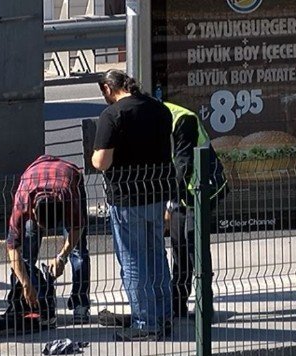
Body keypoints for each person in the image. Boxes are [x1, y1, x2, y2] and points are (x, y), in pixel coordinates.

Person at [92, 69, 175, 341]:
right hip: (157, 192)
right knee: (156, 257)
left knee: (132, 261)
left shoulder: (113, 115)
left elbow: (101, 161)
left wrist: (95, 159)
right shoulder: (159, 109)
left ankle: (145, 324)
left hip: (127, 197)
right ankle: (163, 316)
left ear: (108, 88)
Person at [5, 154, 91, 325]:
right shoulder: (23, 199)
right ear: (33, 213)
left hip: (67, 175)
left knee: (78, 250)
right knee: (26, 252)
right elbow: (12, 247)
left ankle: (80, 303)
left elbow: (77, 228)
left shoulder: (67, 194)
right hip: (34, 177)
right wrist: (26, 283)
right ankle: (24, 302)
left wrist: (62, 256)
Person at [163, 102, 227, 319]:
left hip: (201, 190)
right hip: (182, 193)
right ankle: (178, 306)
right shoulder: (162, 119)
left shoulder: (183, 119)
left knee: (195, 249)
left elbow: (183, 163)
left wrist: (169, 203)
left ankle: (204, 306)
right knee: (179, 249)